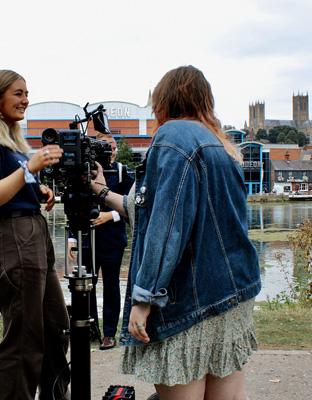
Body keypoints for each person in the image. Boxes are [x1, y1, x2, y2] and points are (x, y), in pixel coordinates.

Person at [90, 66, 261, 399]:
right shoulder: (219, 143)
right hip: (232, 294)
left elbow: (167, 225)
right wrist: (101, 191)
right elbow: (153, 208)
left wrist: (145, 298)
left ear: (164, 102)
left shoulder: (173, 137)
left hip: (191, 298)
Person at [0, 70, 70, 400]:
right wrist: (31, 168)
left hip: (33, 232)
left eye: (27, 93)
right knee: (24, 339)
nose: (26, 100)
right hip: (13, 237)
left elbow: (13, 184)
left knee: (56, 328)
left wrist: (38, 189)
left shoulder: (11, 140)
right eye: (18, 93)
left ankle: (54, 395)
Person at [67, 134, 134, 350]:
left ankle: (110, 333)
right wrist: (71, 238)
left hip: (112, 240)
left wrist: (110, 216)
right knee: (86, 286)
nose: (112, 152)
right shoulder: (82, 172)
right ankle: (90, 328)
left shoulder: (123, 173)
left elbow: (132, 206)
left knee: (112, 287)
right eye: (107, 149)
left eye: (113, 148)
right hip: (87, 239)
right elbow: (74, 206)